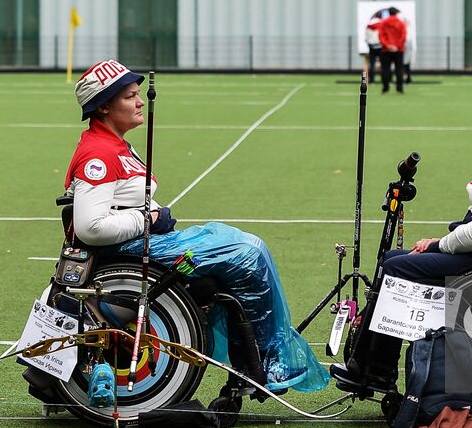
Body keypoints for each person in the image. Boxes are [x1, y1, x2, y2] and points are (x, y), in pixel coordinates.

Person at [65, 59, 328, 393]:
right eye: (130, 96)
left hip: (139, 243)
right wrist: (149, 219)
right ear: (103, 106)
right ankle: (261, 364)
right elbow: (90, 227)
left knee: (247, 245)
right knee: (247, 254)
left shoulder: (112, 144)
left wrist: (151, 215)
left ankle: (256, 358)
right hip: (129, 251)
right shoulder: (99, 155)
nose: (140, 101)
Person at [331, 73, 472, 393]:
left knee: (396, 267)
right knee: (394, 258)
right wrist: (441, 244)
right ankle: (369, 367)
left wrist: (438, 243)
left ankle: (374, 370)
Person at [377, 6, 407, 93]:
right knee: (399, 69)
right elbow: (403, 36)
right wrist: (397, 46)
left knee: (385, 69)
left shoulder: (383, 22)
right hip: (399, 50)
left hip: (386, 50)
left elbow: (381, 36)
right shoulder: (400, 23)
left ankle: (385, 88)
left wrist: (387, 45)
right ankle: (399, 88)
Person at [365, 11, 385, 84]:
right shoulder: (381, 23)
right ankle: (384, 80)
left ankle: (372, 80)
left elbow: (366, 37)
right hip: (380, 46)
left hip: (371, 46)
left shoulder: (369, 24)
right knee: (384, 64)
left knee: (372, 64)